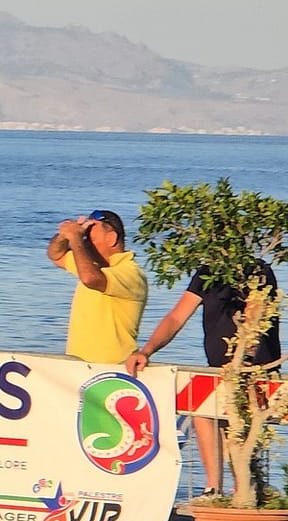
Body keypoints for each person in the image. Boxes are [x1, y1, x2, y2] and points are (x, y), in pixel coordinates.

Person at [125, 260, 281, 497]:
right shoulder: (208, 272)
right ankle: (213, 489)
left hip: (254, 370)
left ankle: (245, 491)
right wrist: (146, 351)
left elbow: (255, 317)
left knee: (240, 433)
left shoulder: (258, 270)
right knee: (201, 410)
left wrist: (242, 359)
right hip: (219, 369)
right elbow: (176, 317)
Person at [46, 209, 147, 363]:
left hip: (114, 368)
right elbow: (56, 255)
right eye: (84, 237)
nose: (85, 243)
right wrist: (64, 235)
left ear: (111, 238)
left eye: (90, 238)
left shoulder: (131, 273)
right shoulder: (91, 265)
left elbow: (90, 279)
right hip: (78, 365)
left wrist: (76, 239)